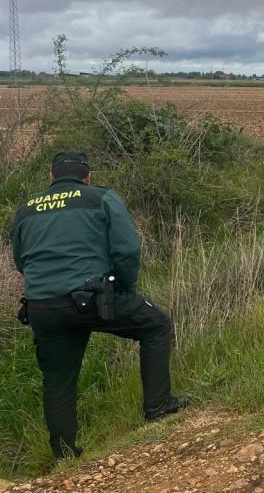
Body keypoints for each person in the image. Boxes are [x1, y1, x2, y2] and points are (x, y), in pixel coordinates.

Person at [9, 151, 187, 459]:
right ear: (87, 176)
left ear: (52, 178)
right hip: (93, 299)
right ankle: (158, 406)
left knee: (58, 379)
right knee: (156, 324)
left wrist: (48, 286)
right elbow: (127, 249)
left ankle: (64, 453)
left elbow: (21, 259)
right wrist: (126, 289)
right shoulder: (100, 197)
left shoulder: (27, 209)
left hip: (42, 307)